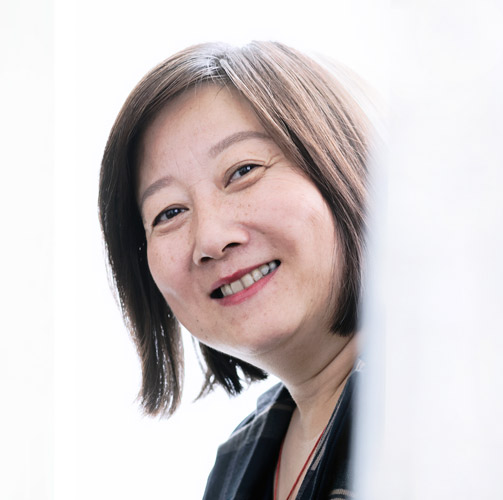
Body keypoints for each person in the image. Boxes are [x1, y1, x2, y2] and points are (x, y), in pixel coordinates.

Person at [97, 41, 372, 500]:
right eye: (169, 213)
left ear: (338, 163)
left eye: (243, 171)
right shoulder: (238, 461)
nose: (210, 239)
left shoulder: (445, 400)